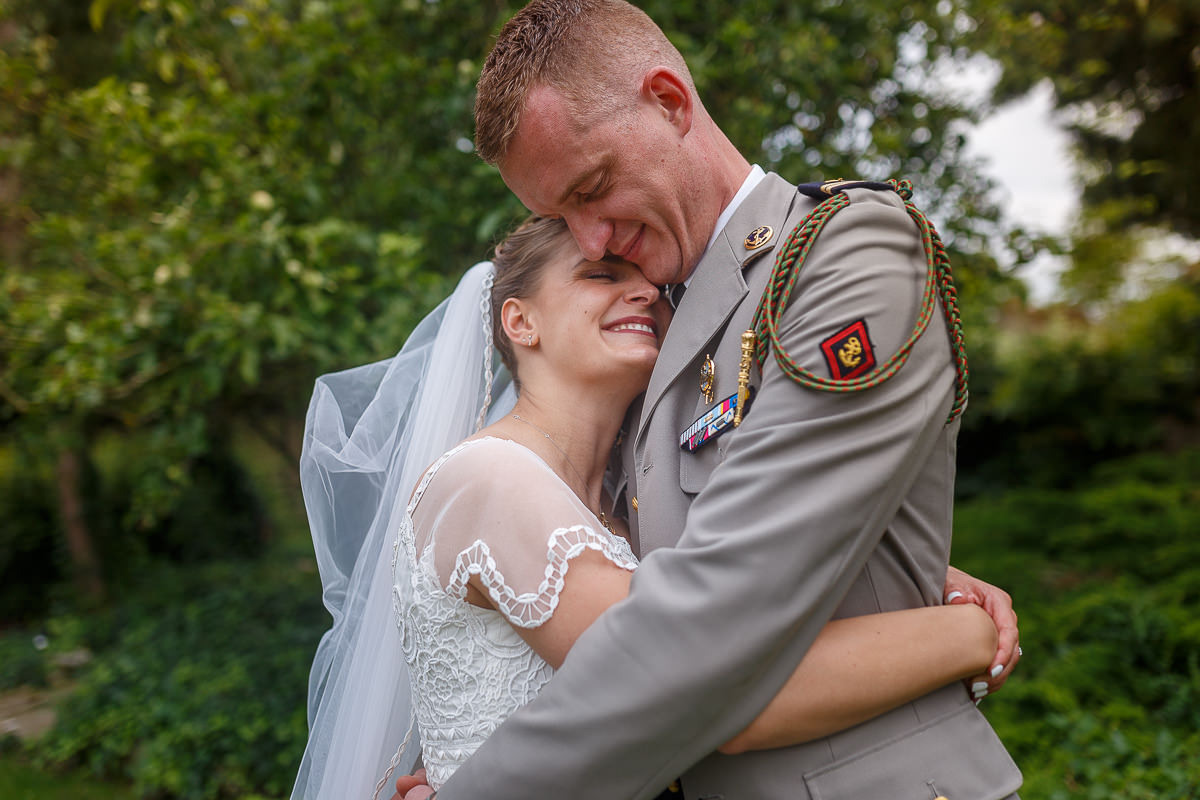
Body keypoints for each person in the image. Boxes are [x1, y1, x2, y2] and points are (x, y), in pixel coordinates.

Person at [399, 2, 1022, 799]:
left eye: (593, 187)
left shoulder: (845, 254)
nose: (590, 241)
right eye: (560, 217)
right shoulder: (659, 329)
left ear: (668, 100)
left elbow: (715, 621)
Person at [292, 215, 1009, 800]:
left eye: (657, 287)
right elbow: (707, 686)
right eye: (602, 275)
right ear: (520, 322)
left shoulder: (620, 506)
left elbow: (753, 574)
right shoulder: (492, 481)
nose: (646, 297)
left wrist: (912, 568)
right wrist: (970, 639)